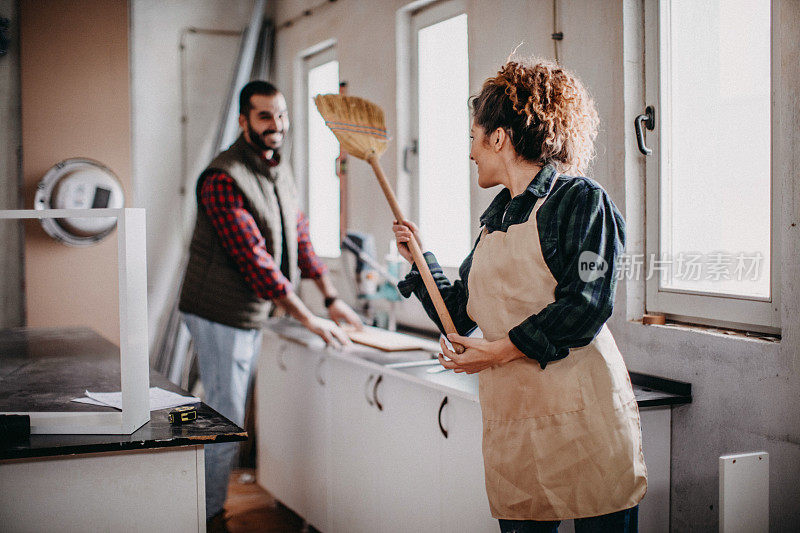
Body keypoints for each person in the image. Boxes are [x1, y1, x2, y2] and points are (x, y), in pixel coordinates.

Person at [392, 58, 646, 532]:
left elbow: (586, 306)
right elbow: (459, 317)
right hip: (519, 433)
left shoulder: (582, 202)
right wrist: (420, 260)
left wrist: (496, 353)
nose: (471, 152)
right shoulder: (495, 221)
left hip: (586, 423)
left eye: (474, 136)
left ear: (499, 137)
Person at [178, 80, 362, 528]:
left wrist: (331, 297)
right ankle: (206, 516)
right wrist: (309, 318)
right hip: (220, 312)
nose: (276, 125)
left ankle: (206, 504)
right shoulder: (223, 177)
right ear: (243, 121)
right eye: (264, 116)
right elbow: (255, 262)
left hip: (252, 311)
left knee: (227, 409)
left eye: (280, 115)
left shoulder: (276, 167)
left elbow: (298, 236)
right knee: (225, 412)